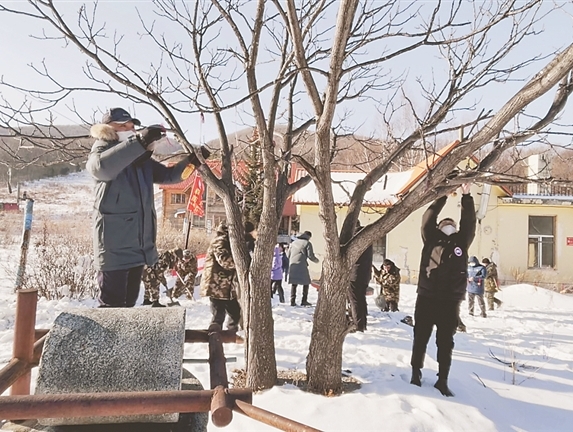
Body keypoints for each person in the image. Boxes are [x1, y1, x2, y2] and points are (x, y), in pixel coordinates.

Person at [87, 107, 208, 308]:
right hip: (114, 249)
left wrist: (193, 161)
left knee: (129, 306)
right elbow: (103, 168)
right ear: (108, 129)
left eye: (132, 126)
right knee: (111, 308)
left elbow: (170, 176)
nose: (130, 129)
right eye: (123, 125)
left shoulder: (140, 160)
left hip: (138, 249)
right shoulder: (101, 151)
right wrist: (140, 142)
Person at [410, 183, 476, 397]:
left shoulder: (461, 241)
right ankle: (415, 373)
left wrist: (466, 196)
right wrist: (442, 196)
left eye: (451, 223)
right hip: (427, 297)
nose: (449, 224)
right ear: (438, 226)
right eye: (445, 223)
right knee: (420, 336)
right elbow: (427, 218)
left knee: (445, 341)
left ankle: (443, 379)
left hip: (450, 301)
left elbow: (469, 222)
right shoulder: (431, 238)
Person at [200, 222, 241, 332]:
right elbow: (224, 261)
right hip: (216, 285)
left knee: (235, 313)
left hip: (226, 287)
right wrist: (241, 264)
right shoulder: (220, 241)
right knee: (218, 315)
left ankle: (230, 334)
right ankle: (214, 336)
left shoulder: (228, 242)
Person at [348, 221, 373, 331]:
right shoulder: (368, 239)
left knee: (355, 301)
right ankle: (363, 324)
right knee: (361, 299)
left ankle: (358, 325)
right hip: (365, 274)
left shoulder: (355, 239)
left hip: (355, 275)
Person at [287, 231, 319, 306]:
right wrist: (317, 261)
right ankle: (304, 300)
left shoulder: (293, 243)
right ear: (309, 236)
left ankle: (292, 301)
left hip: (293, 265)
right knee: (306, 282)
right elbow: (311, 256)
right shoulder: (307, 243)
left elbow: (288, 255)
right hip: (302, 266)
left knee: (294, 283)